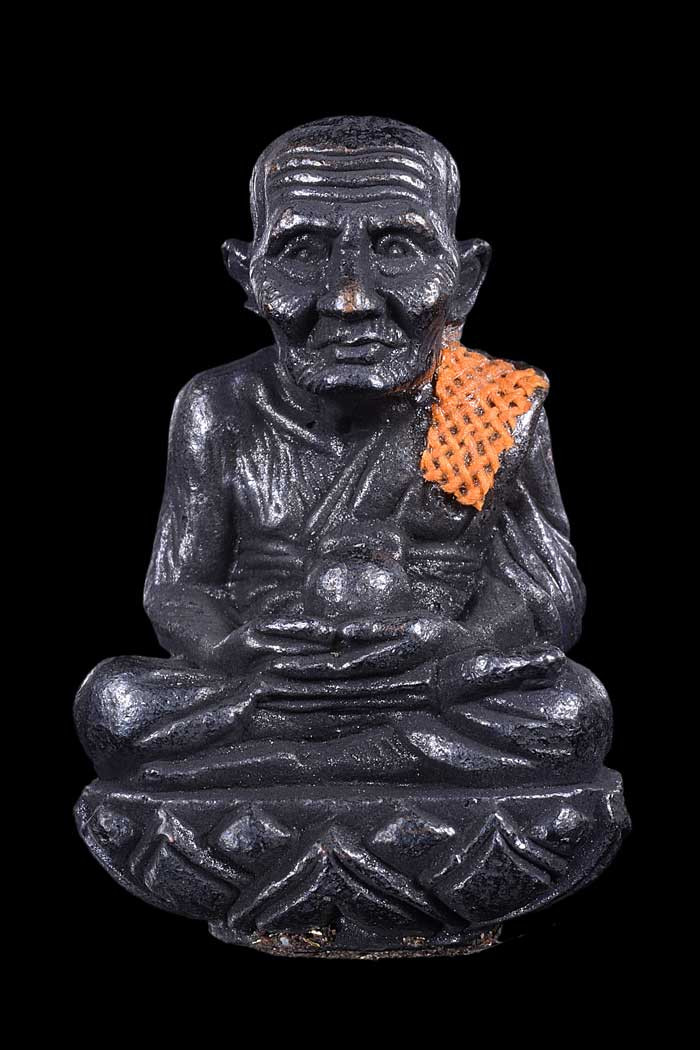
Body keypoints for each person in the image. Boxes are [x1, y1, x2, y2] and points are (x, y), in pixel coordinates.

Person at [75, 115, 612, 792]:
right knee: (117, 704)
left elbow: (546, 589)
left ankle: (292, 766)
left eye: (398, 247)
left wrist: (462, 645)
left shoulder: (490, 403)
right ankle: (370, 757)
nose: (348, 298)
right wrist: (232, 650)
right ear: (247, 274)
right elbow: (179, 587)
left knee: (572, 712)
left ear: (465, 276)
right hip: (276, 680)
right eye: (301, 251)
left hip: (429, 677)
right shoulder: (218, 407)